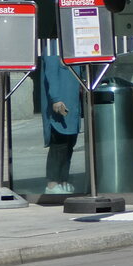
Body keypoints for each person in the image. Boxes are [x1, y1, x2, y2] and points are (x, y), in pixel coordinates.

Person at [39, 54, 82, 195]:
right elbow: (51, 74)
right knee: (59, 143)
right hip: (60, 102)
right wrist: (56, 99)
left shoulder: (71, 46)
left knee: (70, 143)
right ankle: (52, 184)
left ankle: (64, 180)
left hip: (72, 102)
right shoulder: (53, 47)